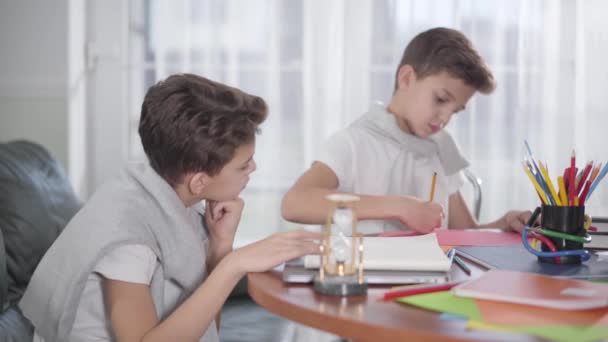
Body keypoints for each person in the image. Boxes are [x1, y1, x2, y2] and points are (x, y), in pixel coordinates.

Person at [20, 74, 321, 342]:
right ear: (200, 182)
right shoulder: (129, 238)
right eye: (243, 165)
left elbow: (203, 327)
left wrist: (220, 247)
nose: (253, 168)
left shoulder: (171, 197)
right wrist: (234, 264)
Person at [281, 27, 531, 235]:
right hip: (366, 282)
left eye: (456, 111)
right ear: (406, 78)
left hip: (428, 285)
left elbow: (464, 233)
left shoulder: (443, 145)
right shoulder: (354, 142)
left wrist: (503, 225)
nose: (445, 119)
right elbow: (294, 204)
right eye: (441, 99)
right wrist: (399, 207)